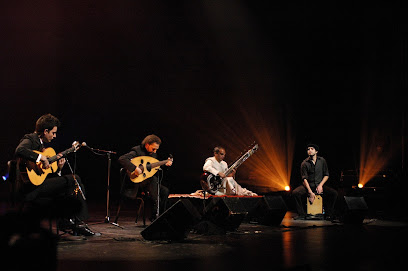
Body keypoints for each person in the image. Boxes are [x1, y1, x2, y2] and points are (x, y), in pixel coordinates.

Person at [14, 113, 95, 236]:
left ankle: (71, 222)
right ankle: (73, 222)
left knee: (73, 184)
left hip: (38, 185)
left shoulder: (41, 145)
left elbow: (45, 175)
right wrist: (40, 157)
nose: (55, 136)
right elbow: (20, 150)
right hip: (29, 189)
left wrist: (59, 169)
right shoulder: (30, 138)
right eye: (53, 132)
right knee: (75, 179)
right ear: (46, 131)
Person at [118, 134, 173, 219]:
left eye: (156, 149)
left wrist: (166, 165)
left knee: (165, 191)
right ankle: (156, 215)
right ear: (147, 144)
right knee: (153, 180)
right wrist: (134, 168)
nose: (155, 151)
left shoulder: (153, 155)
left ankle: (157, 216)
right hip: (135, 183)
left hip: (148, 184)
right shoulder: (136, 151)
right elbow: (122, 159)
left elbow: (154, 170)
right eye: (153, 148)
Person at [292, 144, 338, 221]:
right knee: (295, 193)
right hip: (308, 185)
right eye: (308, 149)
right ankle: (301, 214)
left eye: (312, 149)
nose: (309, 150)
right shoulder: (304, 163)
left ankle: (328, 214)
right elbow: (304, 179)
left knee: (334, 193)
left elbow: (326, 175)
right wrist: (310, 192)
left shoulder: (322, 161)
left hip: (319, 185)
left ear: (316, 151)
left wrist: (320, 185)